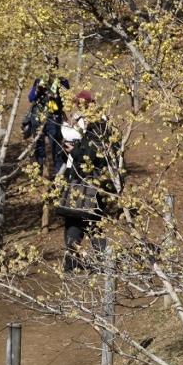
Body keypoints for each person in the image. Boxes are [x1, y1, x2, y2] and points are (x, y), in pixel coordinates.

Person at [58, 90, 119, 272]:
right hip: (93, 187)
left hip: (87, 186)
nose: (83, 120)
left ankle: (77, 262)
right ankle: (88, 261)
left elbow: (88, 160)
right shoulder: (100, 132)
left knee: (79, 221)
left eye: (85, 118)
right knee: (92, 223)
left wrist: (73, 151)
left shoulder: (95, 135)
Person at [28, 57, 70, 176]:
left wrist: (53, 94)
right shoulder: (40, 80)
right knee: (39, 146)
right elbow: (31, 98)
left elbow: (67, 99)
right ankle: (40, 171)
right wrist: (38, 90)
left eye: (52, 66)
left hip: (54, 118)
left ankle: (58, 174)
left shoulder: (62, 81)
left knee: (56, 146)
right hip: (38, 117)